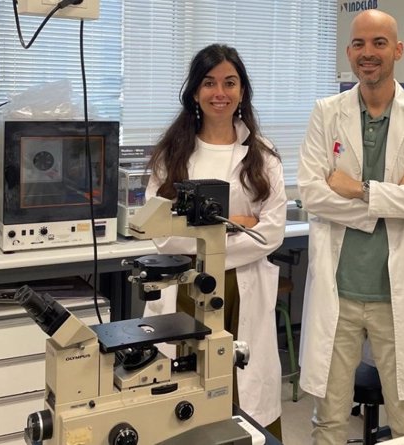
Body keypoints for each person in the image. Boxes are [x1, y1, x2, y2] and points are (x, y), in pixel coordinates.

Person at [297, 9, 404, 444]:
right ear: (349, 52)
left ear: (398, 50)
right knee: (328, 418)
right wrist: (392, 196)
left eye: (379, 43)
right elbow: (311, 193)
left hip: (396, 294)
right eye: (359, 44)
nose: (368, 53)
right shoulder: (325, 112)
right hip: (340, 290)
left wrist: (359, 189)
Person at [143, 43, 287, 439]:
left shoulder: (263, 155)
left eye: (229, 82)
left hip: (241, 291)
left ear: (242, 91)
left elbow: (271, 233)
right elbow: (160, 237)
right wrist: (235, 224)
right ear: (194, 91)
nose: (219, 92)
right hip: (184, 289)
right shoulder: (171, 155)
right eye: (209, 83)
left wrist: (201, 235)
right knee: (182, 392)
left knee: (243, 389)